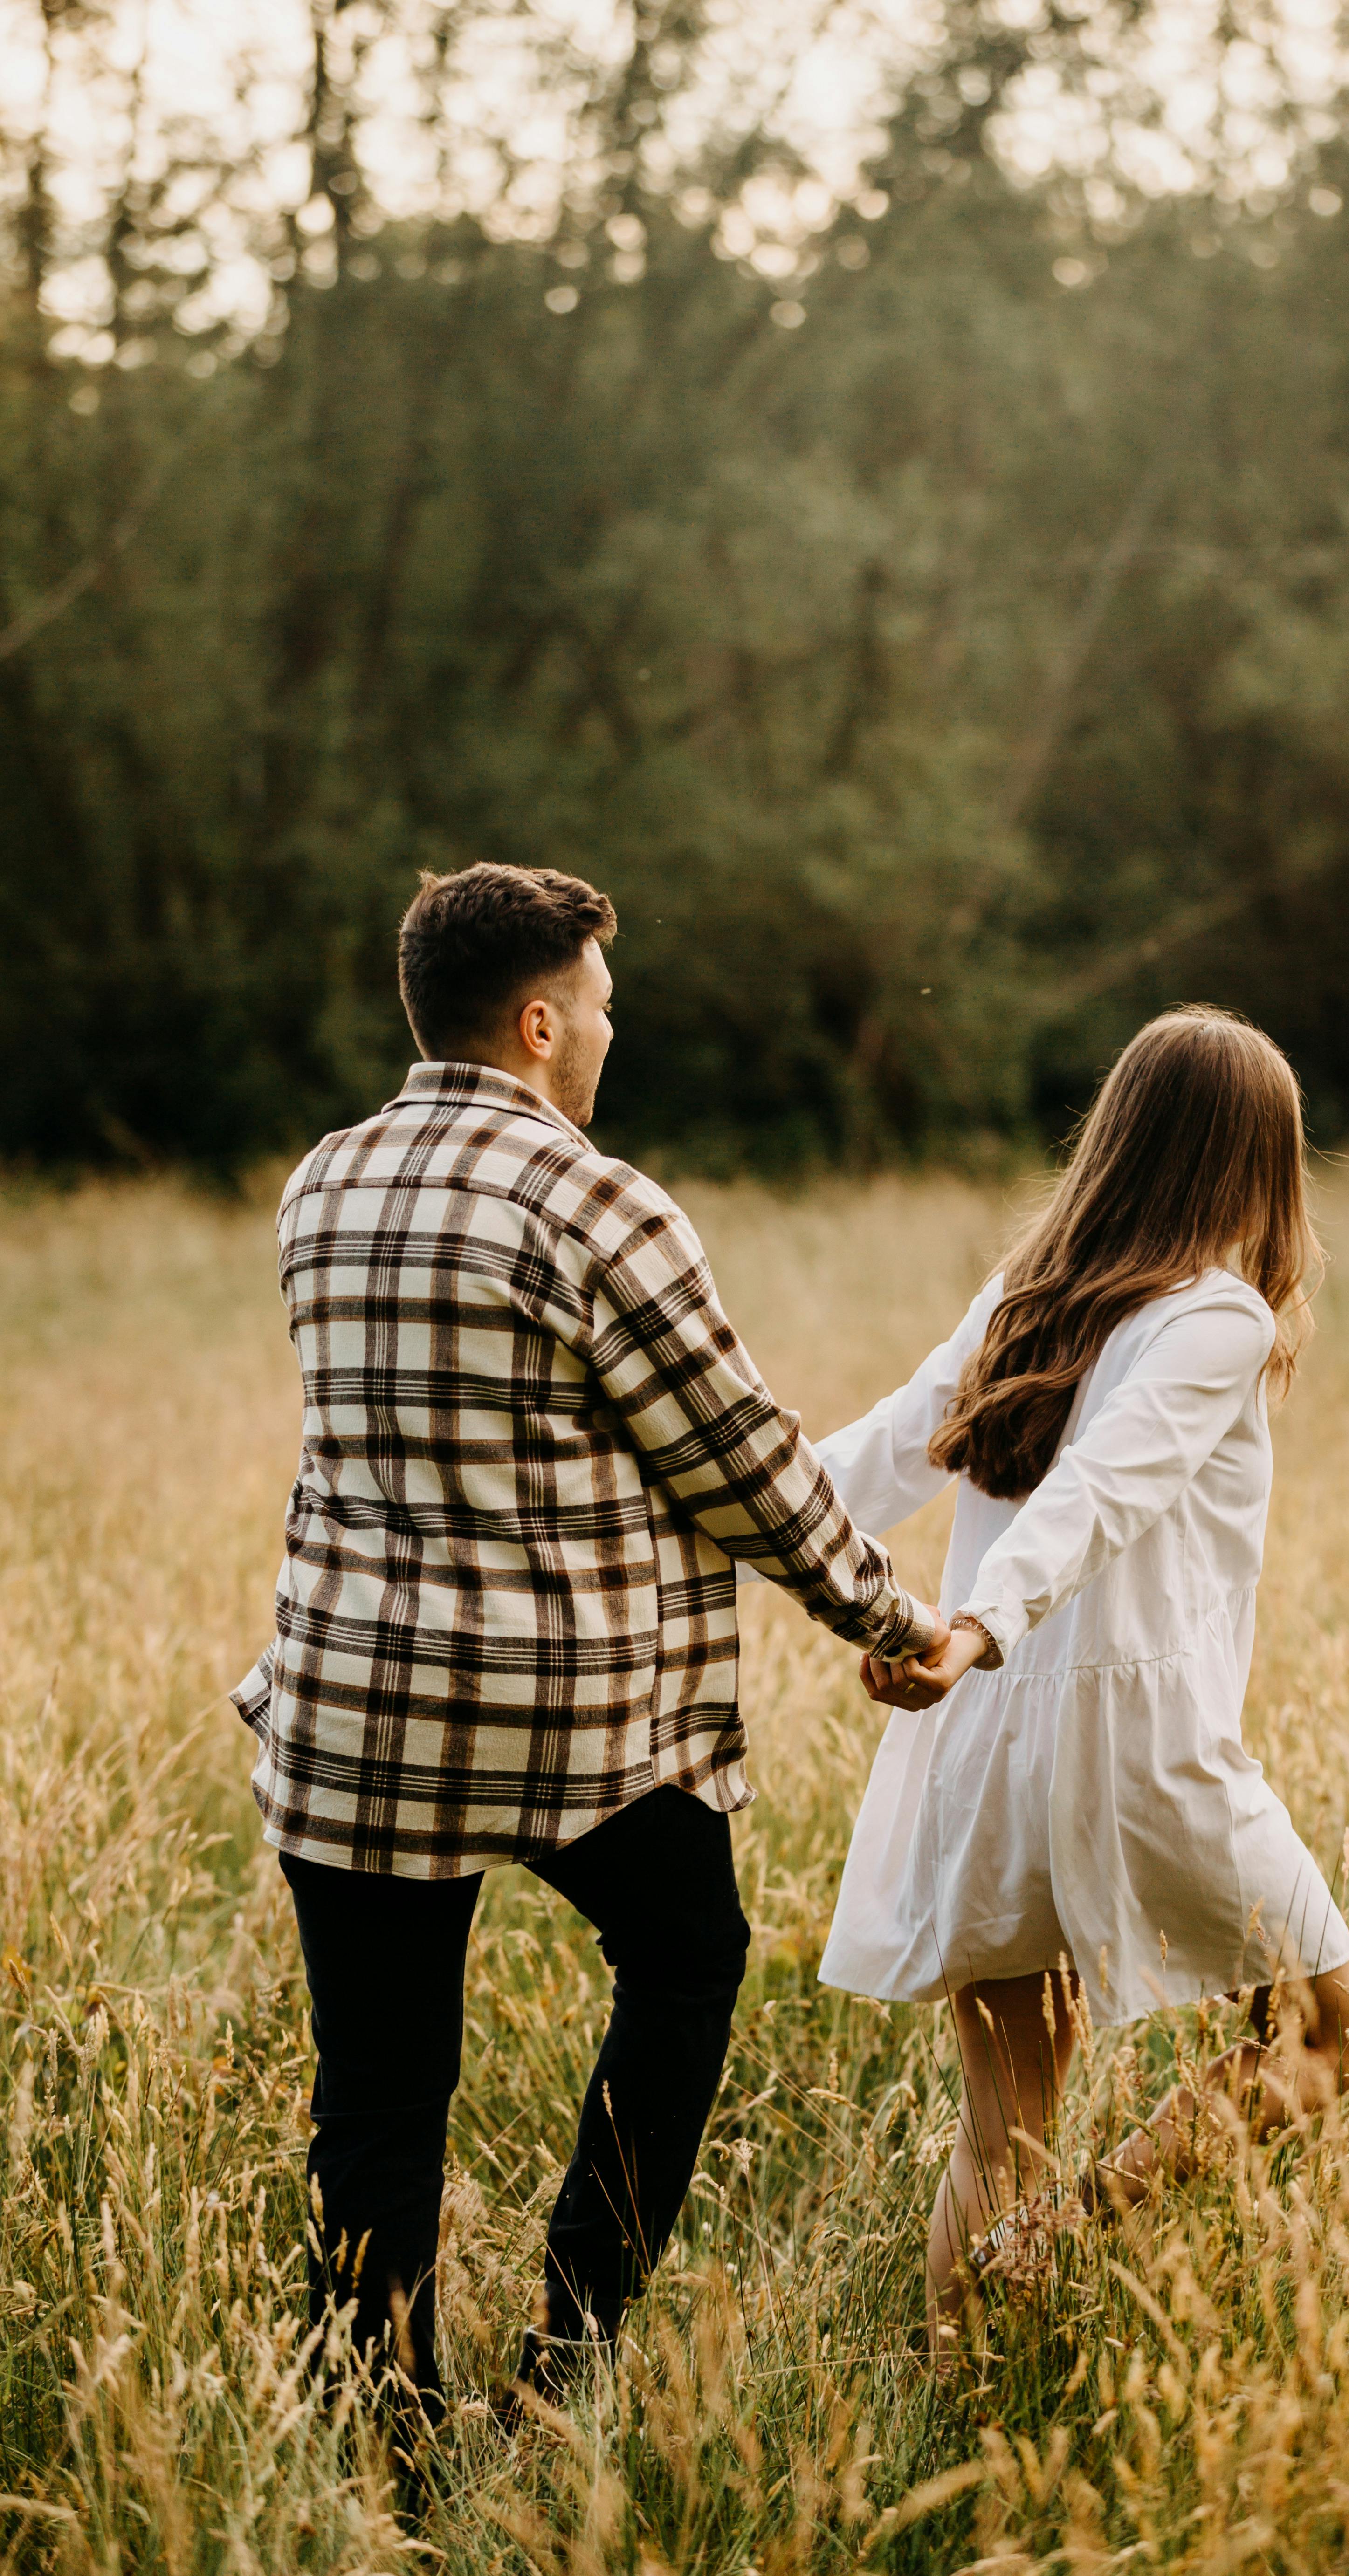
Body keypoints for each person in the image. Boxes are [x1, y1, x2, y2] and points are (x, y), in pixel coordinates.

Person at [231, 861, 940, 2441]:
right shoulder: (592, 1199)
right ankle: (568, 2360)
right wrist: (893, 1622)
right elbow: (742, 1459)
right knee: (685, 1957)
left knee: (380, 2093)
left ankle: (386, 2429)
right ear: (541, 1021)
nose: (613, 1036)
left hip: (353, 1716)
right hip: (568, 1730)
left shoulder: (321, 1182)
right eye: (603, 1008)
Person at [812, 1007, 1349, 2348]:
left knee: (1006, 2120)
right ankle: (1061, 2234)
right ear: (1255, 1163)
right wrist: (978, 1625)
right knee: (1336, 2035)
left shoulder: (1025, 1299)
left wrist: (713, 1511)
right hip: (1134, 1748)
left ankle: (955, 2397)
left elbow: (867, 1465)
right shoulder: (1218, 1318)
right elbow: (1104, 1491)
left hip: (984, 1735)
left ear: (1119, 1141)